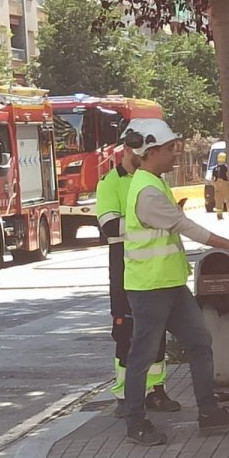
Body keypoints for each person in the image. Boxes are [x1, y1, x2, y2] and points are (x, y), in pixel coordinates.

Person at [122, 119, 229, 446]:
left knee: (199, 341)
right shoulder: (148, 191)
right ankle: (135, 422)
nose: (175, 154)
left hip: (169, 284)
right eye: (169, 149)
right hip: (149, 287)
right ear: (150, 152)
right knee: (143, 355)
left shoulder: (152, 182)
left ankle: (208, 411)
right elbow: (186, 227)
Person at [95, 121, 175, 418]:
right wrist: (144, 219)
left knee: (156, 332)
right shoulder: (110, 182)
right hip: (125, 267)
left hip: (155, 269)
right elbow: (108, 227)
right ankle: (125, 395)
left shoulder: (155, 179)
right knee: (126, 332)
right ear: (128, 148)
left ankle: (156, 390)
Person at [213, 152, 229, 219]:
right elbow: (228, 176)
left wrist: (215, 186)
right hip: (225, 185)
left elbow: (213, 179)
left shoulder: (215, 168)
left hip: (217, 187)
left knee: (218, 201)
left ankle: (219, 215)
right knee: (228, 200)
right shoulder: (226, 168)